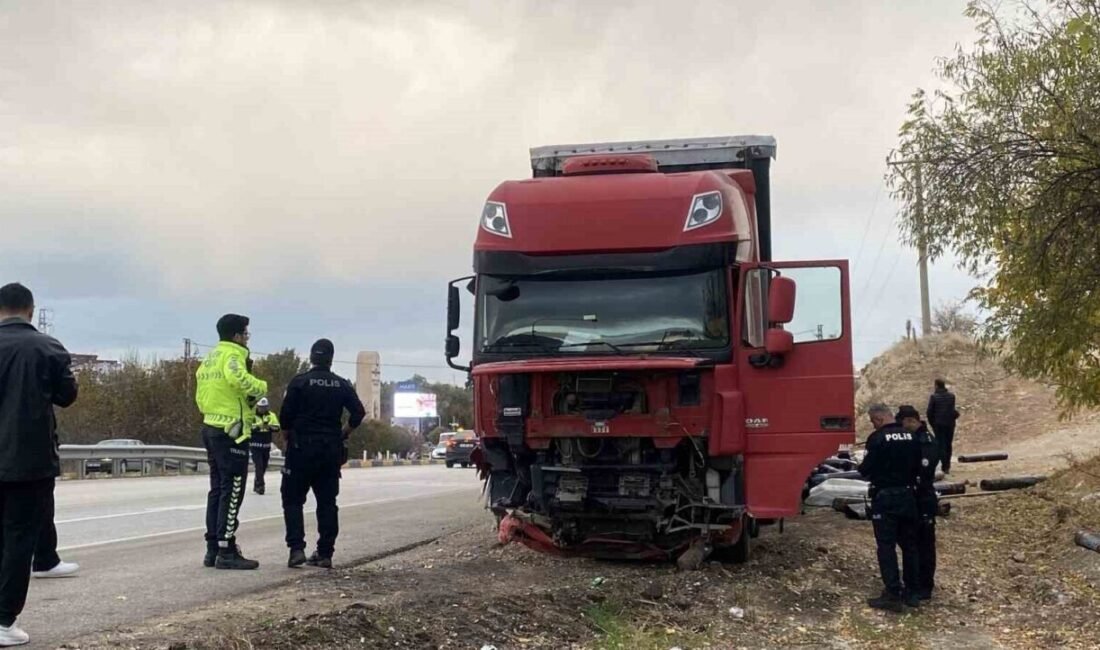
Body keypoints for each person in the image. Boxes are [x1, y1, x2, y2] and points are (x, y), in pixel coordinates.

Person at [0, 283, 78, 645]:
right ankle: (3, 622)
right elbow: (66, 395)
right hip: (26, 461)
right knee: (17, 539)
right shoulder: (48, 347)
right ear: (31, 310)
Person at [280, 339, 365, 569]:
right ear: (331, 359)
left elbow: (285, 416)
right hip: (330, 450)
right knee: (327, 502)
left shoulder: (299, 382)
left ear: (311, 358)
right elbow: (358, 412)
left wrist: (287, 437)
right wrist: (344, 433)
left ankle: (296, 549)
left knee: (292, 499)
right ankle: (325, 553)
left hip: (301, 449)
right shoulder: (341, 384)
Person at [196, 314, 267, 570]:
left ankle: (213, 547)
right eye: (246, 334)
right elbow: (238, 379)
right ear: (237, 336)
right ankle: (226, 549)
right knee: (233, 488)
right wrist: (261, 387)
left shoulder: (210, 357)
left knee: (217, 489)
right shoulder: (234, 355)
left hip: (211, 426)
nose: (247, 339)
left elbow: (202, 394)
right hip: (231, 429)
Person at [859, 403, 921, 612]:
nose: (873, 425)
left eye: (872, 421)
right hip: (908, 494)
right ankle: (913, 592)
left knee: (886, 546)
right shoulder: (911, 435)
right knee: (910, 545)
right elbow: (919, 466)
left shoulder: (876, 439)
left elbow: (866, 469)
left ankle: (893, 593)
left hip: (885, 497)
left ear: (878, 419)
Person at [897, 404, 939, 601]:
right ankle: (914, 581)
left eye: (903, 425)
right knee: (912, 542)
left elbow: (923, 471)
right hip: (914, 497)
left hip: (923, 497)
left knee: (924, 544)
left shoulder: (925, 441)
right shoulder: (916, 438)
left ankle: (924, 585)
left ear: (911, 421)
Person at [926, 379, 959, 473]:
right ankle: (947, 466)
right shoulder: (951, 396)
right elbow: (952, 410)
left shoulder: (934, 397)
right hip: (950, 424)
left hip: (938, 424)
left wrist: (932, 423)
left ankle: (942, 464)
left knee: (940, 445)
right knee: (948, 444)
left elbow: (929, 412)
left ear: (936, 385)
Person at [250, 397, 280, 495]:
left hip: (266, 445)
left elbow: (277, 427)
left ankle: (257, 482)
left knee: (263, 466)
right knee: (259, 465)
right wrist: (258, 427)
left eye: (265, 407)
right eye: (261, 407)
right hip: (255, 445)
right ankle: (260, 486)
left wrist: (269, 427)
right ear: (257, 407)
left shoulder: (271, 415)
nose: (263, 409)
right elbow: (248, 427)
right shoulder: (252, 415)